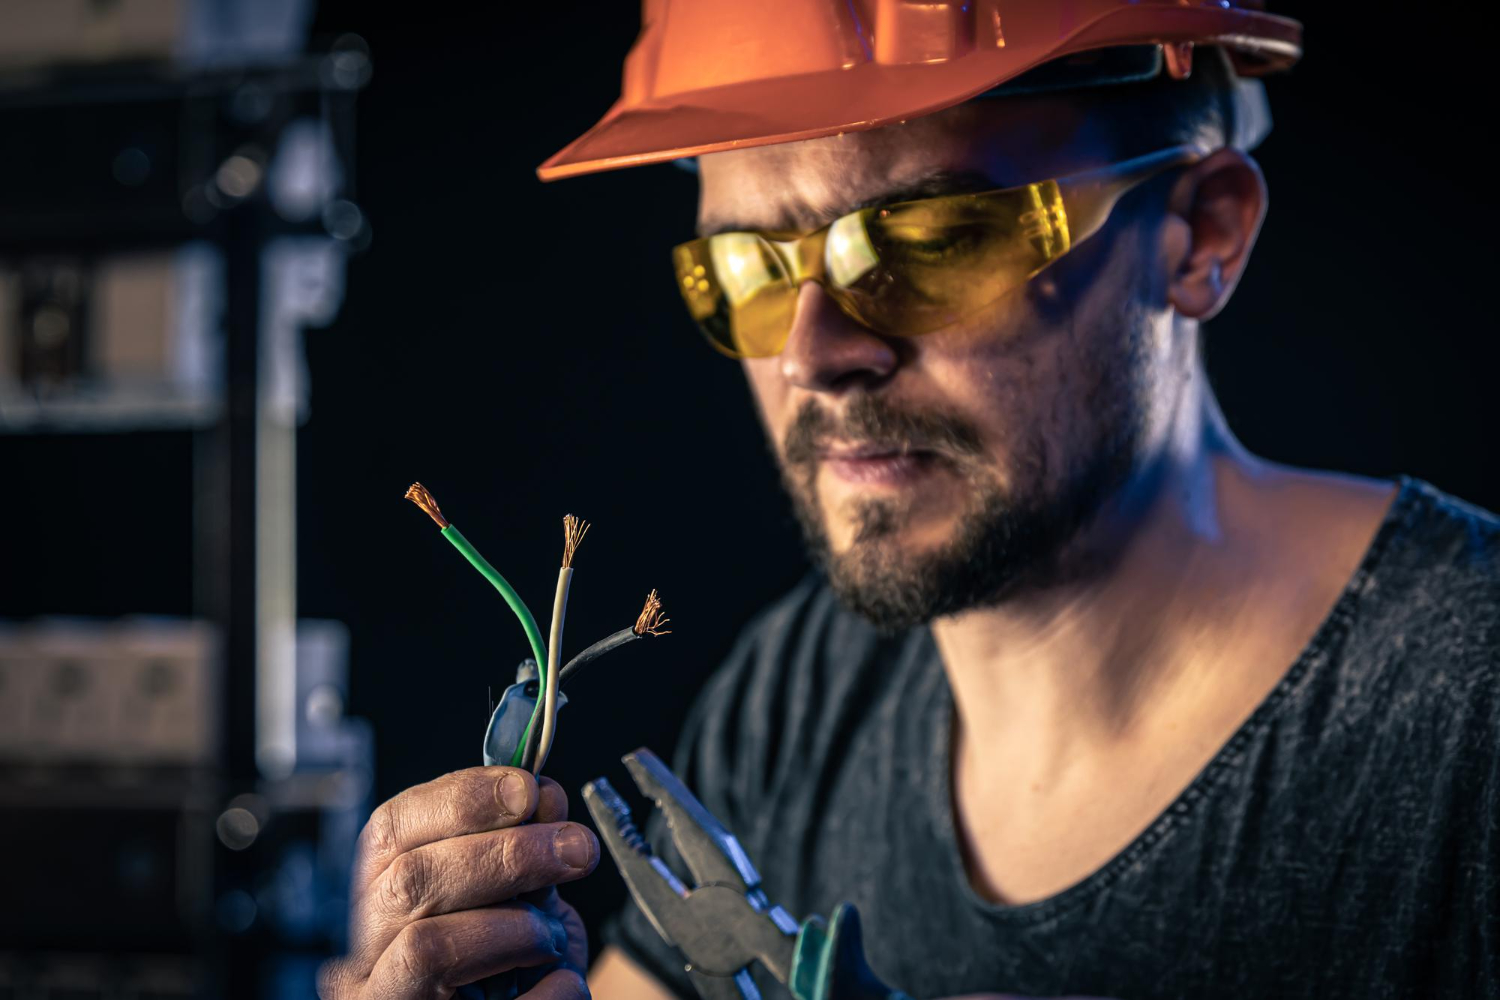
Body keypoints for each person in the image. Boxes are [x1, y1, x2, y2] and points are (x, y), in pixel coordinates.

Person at [320, 3, 1499, 998]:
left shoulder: (1468, 709)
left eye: (932, 239)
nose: (816, 353)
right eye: (751, 270)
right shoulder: (801, 698)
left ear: (1201, 234)